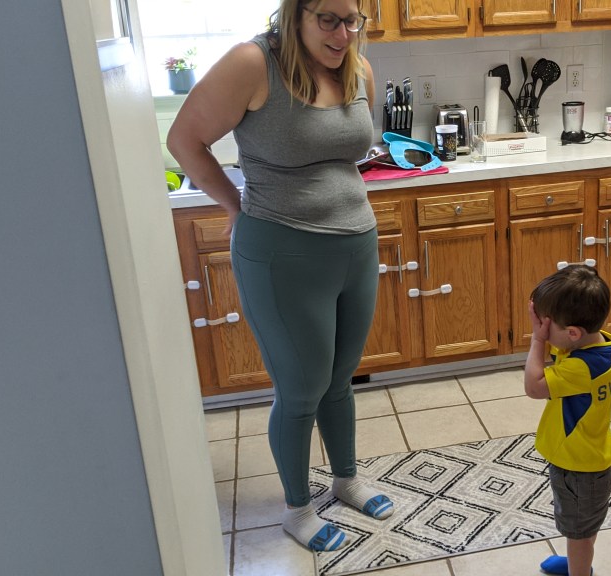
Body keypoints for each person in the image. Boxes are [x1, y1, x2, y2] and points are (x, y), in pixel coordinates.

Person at [166, 0, 392, 553]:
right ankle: (298, 508)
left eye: (352, 20)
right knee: (301, 388)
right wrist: (235, 204)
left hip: (356, 245)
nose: (343, 33)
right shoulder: (252, 63)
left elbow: (348, 155)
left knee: (340, 378)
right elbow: (184, 140)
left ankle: (346, 480)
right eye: (328, 19)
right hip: (281, 253)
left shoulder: (358, 68)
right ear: (296, 13)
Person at [524, 265, 611, 576]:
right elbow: (559, 352)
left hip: (579, 469)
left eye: (546, 326)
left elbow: (534, 387)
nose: (542, 331)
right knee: (582, 527)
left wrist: (537, 341)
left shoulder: (580, 367)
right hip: (589, 461)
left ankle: (580, 569)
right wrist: (549, 331)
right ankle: (580, 562)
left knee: (579, 533)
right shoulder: (597, 346)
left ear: (573, 333)